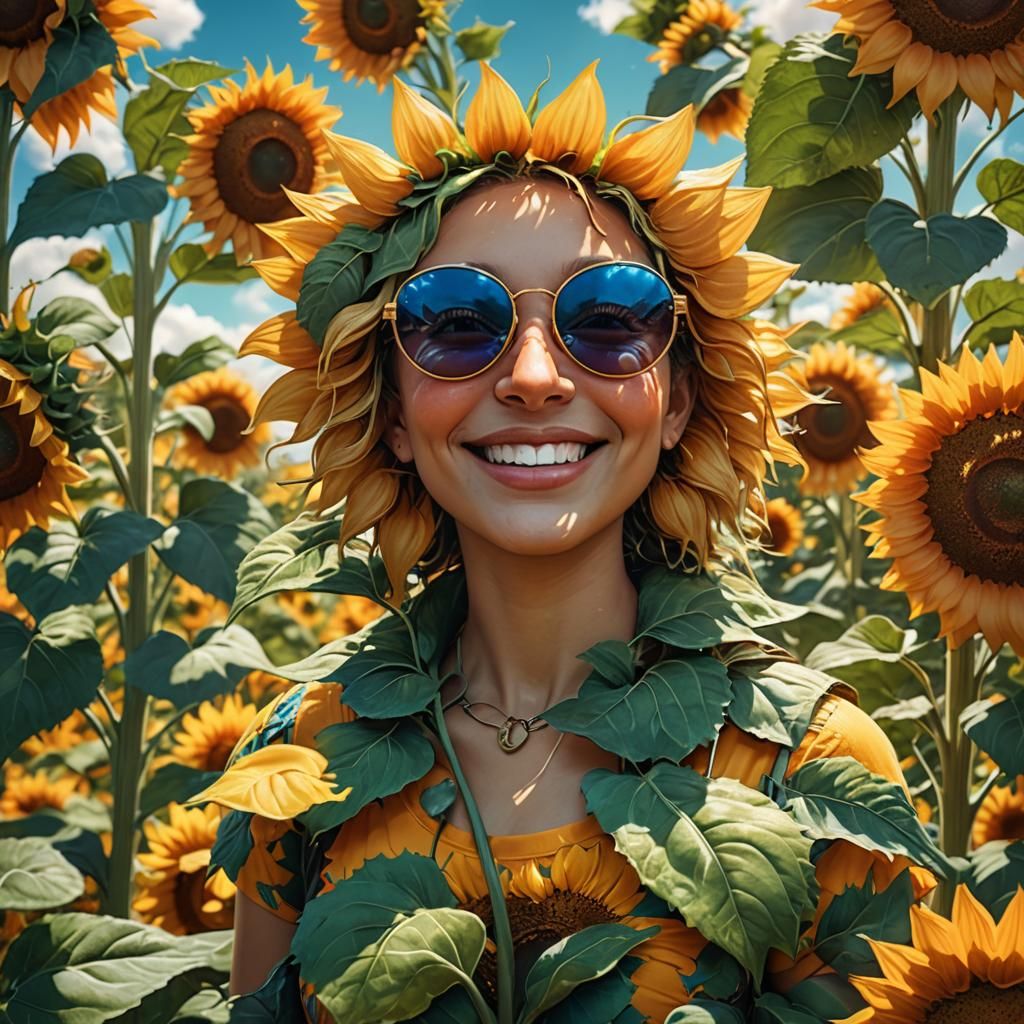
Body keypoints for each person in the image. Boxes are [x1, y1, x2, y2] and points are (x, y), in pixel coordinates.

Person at [198, 62, 937, 1023]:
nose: (537, 377)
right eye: (457, 323)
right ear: (388, 412)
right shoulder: (308, 752)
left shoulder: (796, 764)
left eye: (610, 318)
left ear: (675, 400)